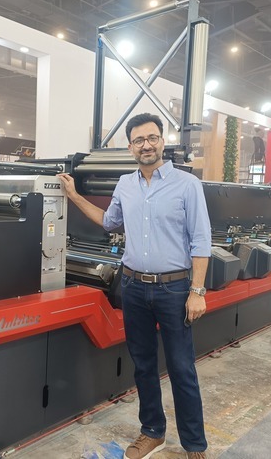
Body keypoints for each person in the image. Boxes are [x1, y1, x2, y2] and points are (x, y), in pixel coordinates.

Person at [58, 113, 211, 459]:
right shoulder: (125, 184)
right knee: (143, 364)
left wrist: (197, 291)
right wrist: (74, 195)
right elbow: (109, 221)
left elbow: (201, 241)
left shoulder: (187, 185)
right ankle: (152, 431)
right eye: (139, 140)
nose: (146, 145)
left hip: (174, 290)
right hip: (133, 287)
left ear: (162, 141)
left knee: (182, 368)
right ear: (130, 147)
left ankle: (194, 444)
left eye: (152, 138)